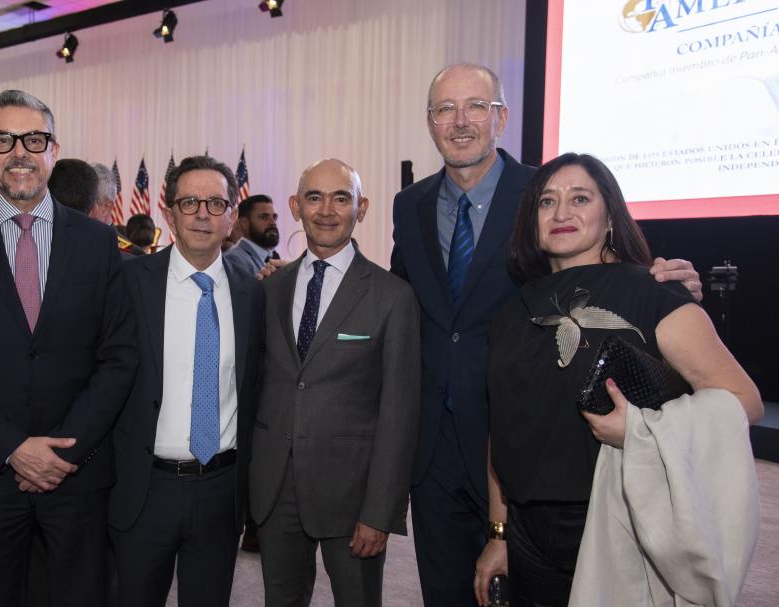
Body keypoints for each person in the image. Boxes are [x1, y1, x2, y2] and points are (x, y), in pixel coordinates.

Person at [389, 63, 704, 606]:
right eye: (445, 109)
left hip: (528, 439)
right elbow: (401, 293)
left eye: (476, 106)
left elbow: (602, 271)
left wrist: (662, 276)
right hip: (434, 443)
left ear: (502, 117)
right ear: (429, 121)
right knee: (444, 591)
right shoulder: (409, 204)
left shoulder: (545, 194)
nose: (460, 121)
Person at [474, 153, 763, 606]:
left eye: (580, 199)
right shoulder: (510, 314)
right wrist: (499, 533)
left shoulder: (652, 291)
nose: (561, 213)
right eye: (547, 202)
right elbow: (502, 427)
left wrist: (641, 431)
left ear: (610, 216)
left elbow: (744, 399)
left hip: (615, 516)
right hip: (527, 530)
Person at [0, 89, 137, 606]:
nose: (20, 152)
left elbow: (119, 356)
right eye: (3, 139)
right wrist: (12, 448)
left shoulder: (97, 242)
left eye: (34, 139)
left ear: (53, 150)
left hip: (76, 470)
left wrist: (63, 450)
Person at [249, 159, 420, 607]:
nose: (326, 210)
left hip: (353, 495)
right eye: (314, 197)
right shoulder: (269, 289)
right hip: (275, 488)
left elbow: (400, 414)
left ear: (361, 208)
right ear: (295, 207)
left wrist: (381, 511)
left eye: (341, 198)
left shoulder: (392, 297)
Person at [109, 155, 264, 606]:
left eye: (216, 204)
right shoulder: (127, 283)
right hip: (144, 488)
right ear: (169, 213)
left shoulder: (254, 292)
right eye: (189, 202)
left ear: (232, 218)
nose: (202, 214)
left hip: (221, 490)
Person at [223, 194, 280, 278]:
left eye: (274, 217)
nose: (273, 223)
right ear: (244, 223)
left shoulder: (274, 258)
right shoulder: (233, 260)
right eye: (264, 217)